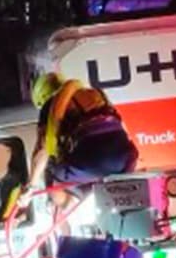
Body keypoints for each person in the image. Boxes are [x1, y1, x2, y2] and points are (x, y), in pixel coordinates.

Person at [18, 72, 139, 212]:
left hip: (90, 163)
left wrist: (30, 187)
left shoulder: (51, 105)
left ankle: (65, 207)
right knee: (83, 165)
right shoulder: (95, 94)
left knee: (52, 166)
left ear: (43, 98)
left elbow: (42, 150)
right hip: (125, 161)